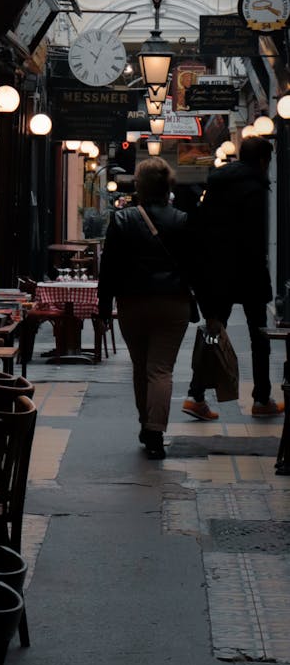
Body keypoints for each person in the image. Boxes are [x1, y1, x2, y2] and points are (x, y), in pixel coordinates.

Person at [98, 157, 195, 459]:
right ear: (168, 186)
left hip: (133, 302)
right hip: (172, 303)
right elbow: (196, 267)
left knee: (141, 366)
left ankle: (146, 423)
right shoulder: (182, 220)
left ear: (138, 186)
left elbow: (109, 268)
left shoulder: (122, 220)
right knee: (161, 369)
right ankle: (155, 430)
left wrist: (103, 308)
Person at [183, 135, 282, 421]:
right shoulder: (255, 188)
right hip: (247, 272)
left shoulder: (217, 184)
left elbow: (202, 228)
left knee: (215, 332)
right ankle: (262, 399)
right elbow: (253, 238)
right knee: (259, 336)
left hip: (216, 272)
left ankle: (196, 395)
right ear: (263, 161)